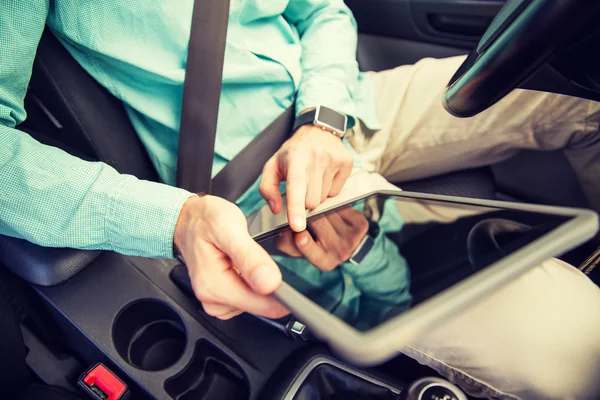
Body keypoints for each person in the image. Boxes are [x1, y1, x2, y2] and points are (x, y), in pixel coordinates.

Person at [1, 1, 599, 398]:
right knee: (579, 342)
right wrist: (176, 218)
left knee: (582, 93)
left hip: (344, 107)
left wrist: (320, 120)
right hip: (258, 184)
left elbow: (324, 11)